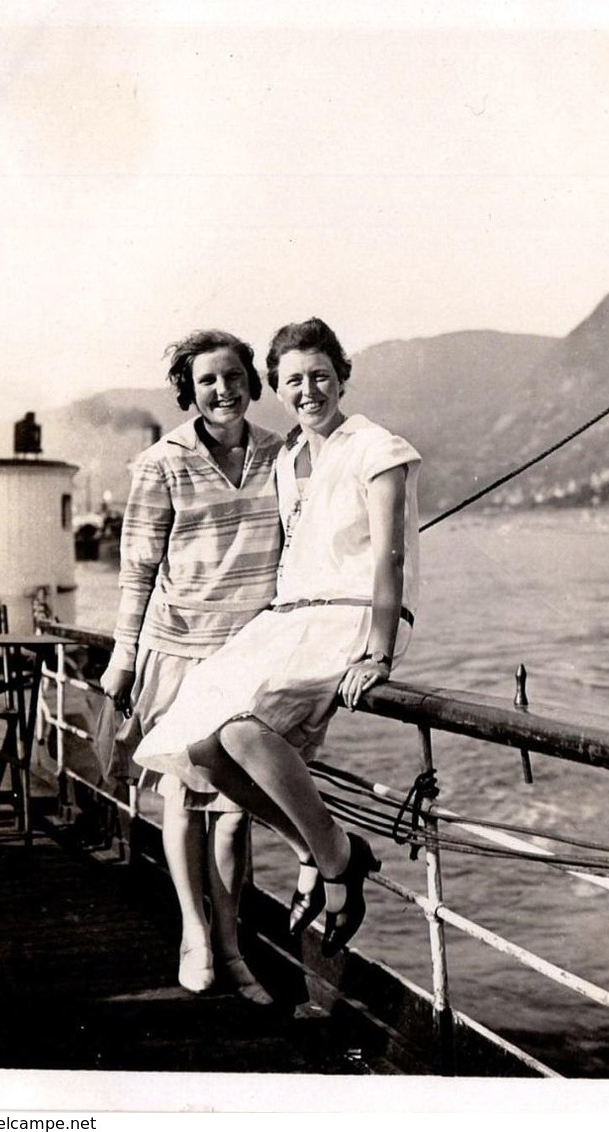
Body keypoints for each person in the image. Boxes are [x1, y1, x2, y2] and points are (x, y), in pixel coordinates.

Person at [134, 317, 420, 957]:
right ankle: (319, 849)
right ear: (279, 388)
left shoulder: (379, 448)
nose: (308, 390)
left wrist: (377, 652)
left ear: (342, 377)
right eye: (293, 380)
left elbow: (389, 561)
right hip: (291, 617)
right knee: (199, 743)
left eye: (320, 375)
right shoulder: (291, 458)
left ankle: (339, 863)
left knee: (239, 728)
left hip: (353, 615)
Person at [99, 329, 283, 1000]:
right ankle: (194, 936)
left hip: (252, 656)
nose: (223, 388)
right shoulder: (161, 462)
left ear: (250, 380)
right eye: (208, 379)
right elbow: (137, 572)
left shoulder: (281, 453)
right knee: (181, 799)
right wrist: (123, 659)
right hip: (177, 652)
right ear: (189, 389)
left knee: (236, 810)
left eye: (233, 375)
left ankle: (234, 950)